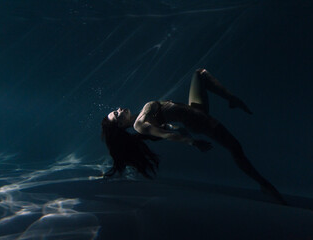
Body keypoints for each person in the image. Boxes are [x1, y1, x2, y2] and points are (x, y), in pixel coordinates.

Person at [101, 68, 287, 205]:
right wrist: (191, 141)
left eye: (115, 110)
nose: (119, 109)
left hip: (195, 111)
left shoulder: (141, 115)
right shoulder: (139, 124)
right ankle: (264, 185)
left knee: (200, 74)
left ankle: (232, 99)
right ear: (120, 124)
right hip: (200, 122)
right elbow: (166, 135)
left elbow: (166, 126)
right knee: (235, 148)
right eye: (116, 114)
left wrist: (176, 128)